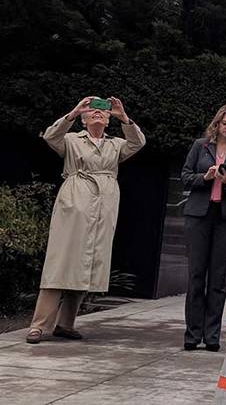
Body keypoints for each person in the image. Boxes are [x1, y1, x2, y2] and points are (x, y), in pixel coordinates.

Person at [27, 96, 145, 345]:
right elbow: (50, 136)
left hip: (104, 203)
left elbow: (138, 142)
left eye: (101, 111)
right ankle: (39, 325)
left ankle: (66, 323)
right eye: (91, 111)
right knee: (61, 260)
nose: (97, 114)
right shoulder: (71, 140)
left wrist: (123, 116)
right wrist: (73, 111)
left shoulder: (116, 144)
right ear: (83, 119)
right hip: (75, 200)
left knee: (87, 261)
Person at [181, 103, 226, 351]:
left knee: (218, 278)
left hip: (225, 217)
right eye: (224, 123)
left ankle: (212, 335)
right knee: (196, 275)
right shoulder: (200, 146)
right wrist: (206, 178)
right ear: (217, 123)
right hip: (199, 214)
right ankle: (192, 334)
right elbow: (186, 176)